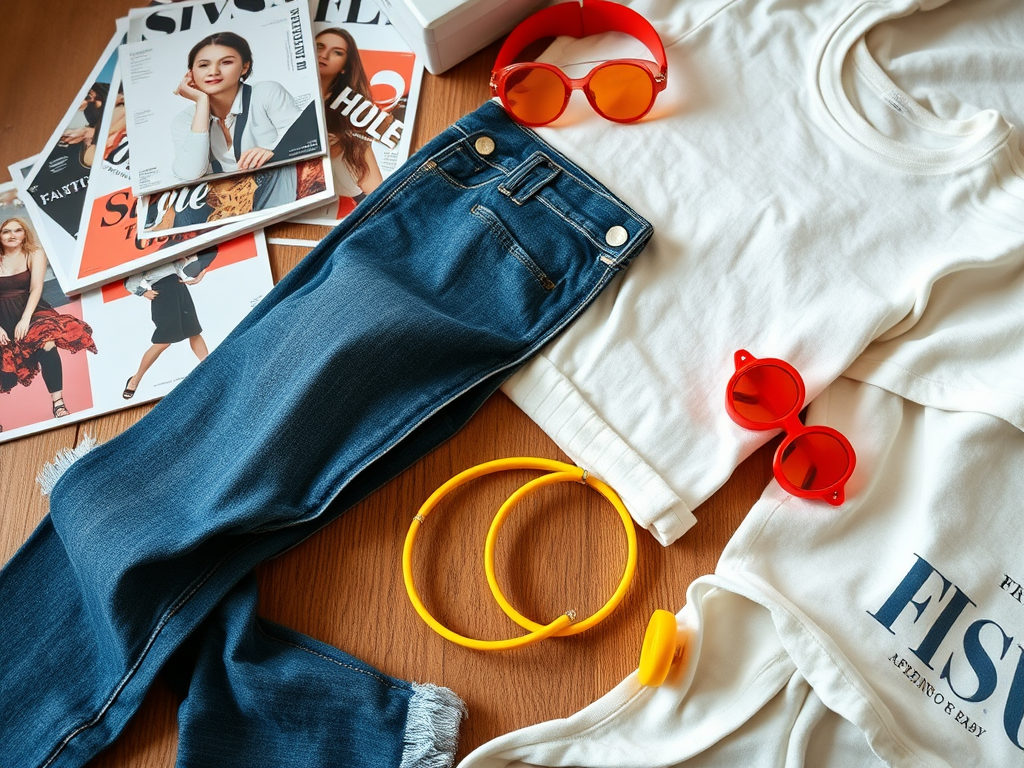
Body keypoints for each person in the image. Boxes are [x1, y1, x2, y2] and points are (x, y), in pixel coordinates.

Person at [0, 218, 97, 424]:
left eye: (18, 230)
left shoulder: (35, 253)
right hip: (1, 315)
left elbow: (36, 288)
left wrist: (25, 319)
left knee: (47, 342)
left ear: (25, 233)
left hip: (31, 309)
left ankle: (58, 403)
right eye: (6, 231)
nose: (12, 235)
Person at [170, 32, 301, 183]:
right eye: (204, 65)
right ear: (191, 73)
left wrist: (274, 152)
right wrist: (201, 102)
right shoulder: (183, 120)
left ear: (245, 67)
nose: (213, 72)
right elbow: (188, 174)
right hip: (229, 200)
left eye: (226, 62)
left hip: (280, 183)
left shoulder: (266, 93)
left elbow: (305, 139)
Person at [122, 252, 213, 399]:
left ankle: (210, 366)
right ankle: (135, 379)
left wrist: (197, 272)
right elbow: (129, 283)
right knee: (163, 341)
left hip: (180, 290)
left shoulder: (167, 249)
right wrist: (144, 292)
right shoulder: (143, 258)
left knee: (193, 331)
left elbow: (182, 264)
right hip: (162, 295)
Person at [316, 28, 384, 198]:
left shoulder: (350, 115)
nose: (324, 55)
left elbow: (376, 191)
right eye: (319, 46)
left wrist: (339, 147)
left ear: (345, 67)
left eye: (337, 52)